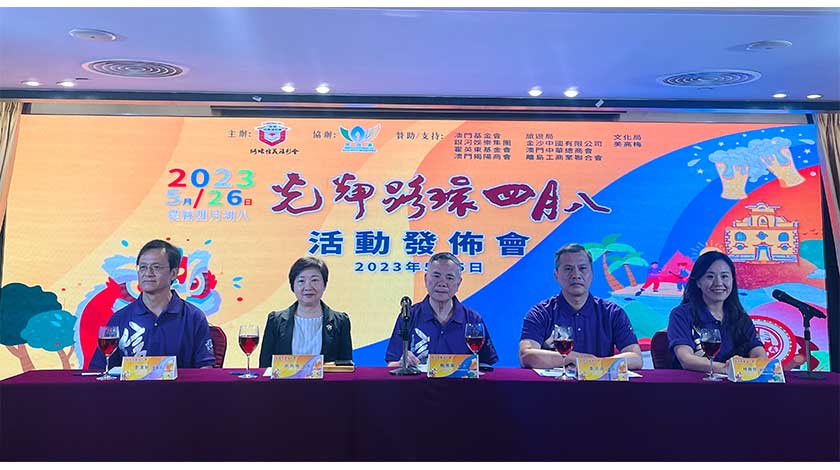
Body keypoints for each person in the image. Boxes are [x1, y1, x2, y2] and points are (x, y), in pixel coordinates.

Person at [89, 239, 215, 370]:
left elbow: (205, 370)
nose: (148, 273)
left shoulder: (194, 317)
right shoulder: (120, 318)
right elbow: (100, 369)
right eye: (143, 267)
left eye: (156, 267)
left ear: (173, 273)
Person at [519, 243, 643, 370]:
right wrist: (577, 358)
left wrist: (596, 364)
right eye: (568, 269)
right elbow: (526, 355)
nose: (576, 275)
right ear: (556, 275)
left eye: (582, 268)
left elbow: (635, 358)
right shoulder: (540, 313)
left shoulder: (612, 313)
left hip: (600, 382)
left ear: (592, 274)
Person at [385, 252, 498, 366]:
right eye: (436, 276)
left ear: (458, 283)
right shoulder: (408, 316)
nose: (442, 283)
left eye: (449, 277)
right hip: (419, 378)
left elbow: (486, 365)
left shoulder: (473, 319)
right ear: (426, 279)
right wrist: (402, 363)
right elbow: (391, 364)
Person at [667, 250, 765, 373]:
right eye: (710, 276)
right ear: (698, 282)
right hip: (694, 383)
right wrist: (726, 368)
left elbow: (760, 356)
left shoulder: (741, 318)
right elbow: (686, 359)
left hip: (735, 384)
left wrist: (745, 365)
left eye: (724, 276)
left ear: (732, 280)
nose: (718, 283)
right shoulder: (681, 314)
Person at [259, 256, 352, 367]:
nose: (308, 287)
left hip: (327, 380)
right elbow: (265, 366)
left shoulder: (340, 321)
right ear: (292, 286)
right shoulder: (275, 321)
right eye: (301, 281)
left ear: (324, 284)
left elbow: (345, 367)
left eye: (314, 280)